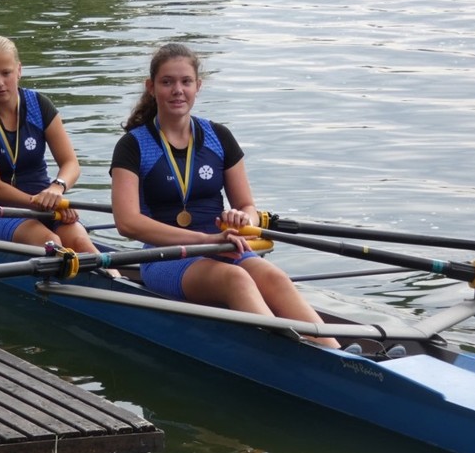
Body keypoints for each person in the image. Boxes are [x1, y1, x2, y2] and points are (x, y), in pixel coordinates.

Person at [110, 43, 340, 348]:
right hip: (164, 256)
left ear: (198, 86)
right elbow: (127, 223)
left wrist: (242, 218)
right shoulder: (133, 145)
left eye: (185, 82)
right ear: (151, 88)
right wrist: (204, 241)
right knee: (236, 279)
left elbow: (247, 206)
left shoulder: (218, 137)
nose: (177, 90)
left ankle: (336, 353)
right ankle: (293, 355)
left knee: (275, 277)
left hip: (224, 246)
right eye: (167, 82)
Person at [0, 36, 116, 274]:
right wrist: (43, 204)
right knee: (50, 242)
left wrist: (57, 189)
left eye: (6, 73)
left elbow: (71, 163)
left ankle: (115, 280)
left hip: (47, 203)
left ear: (19, 70)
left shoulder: (39, 105)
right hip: (0, 210)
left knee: (81, 242)